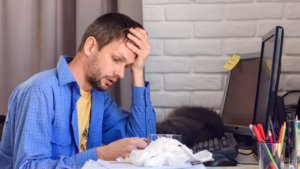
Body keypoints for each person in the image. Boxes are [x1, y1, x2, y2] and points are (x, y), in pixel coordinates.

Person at [0, 13, 156, 169]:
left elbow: (142, 142)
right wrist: (99, 155)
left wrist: (138, 71)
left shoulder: (100, 99)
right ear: (90, 47)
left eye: (126, 67)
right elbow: (27, 166)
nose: (121, 74)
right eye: (116, 59)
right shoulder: (40, 91)